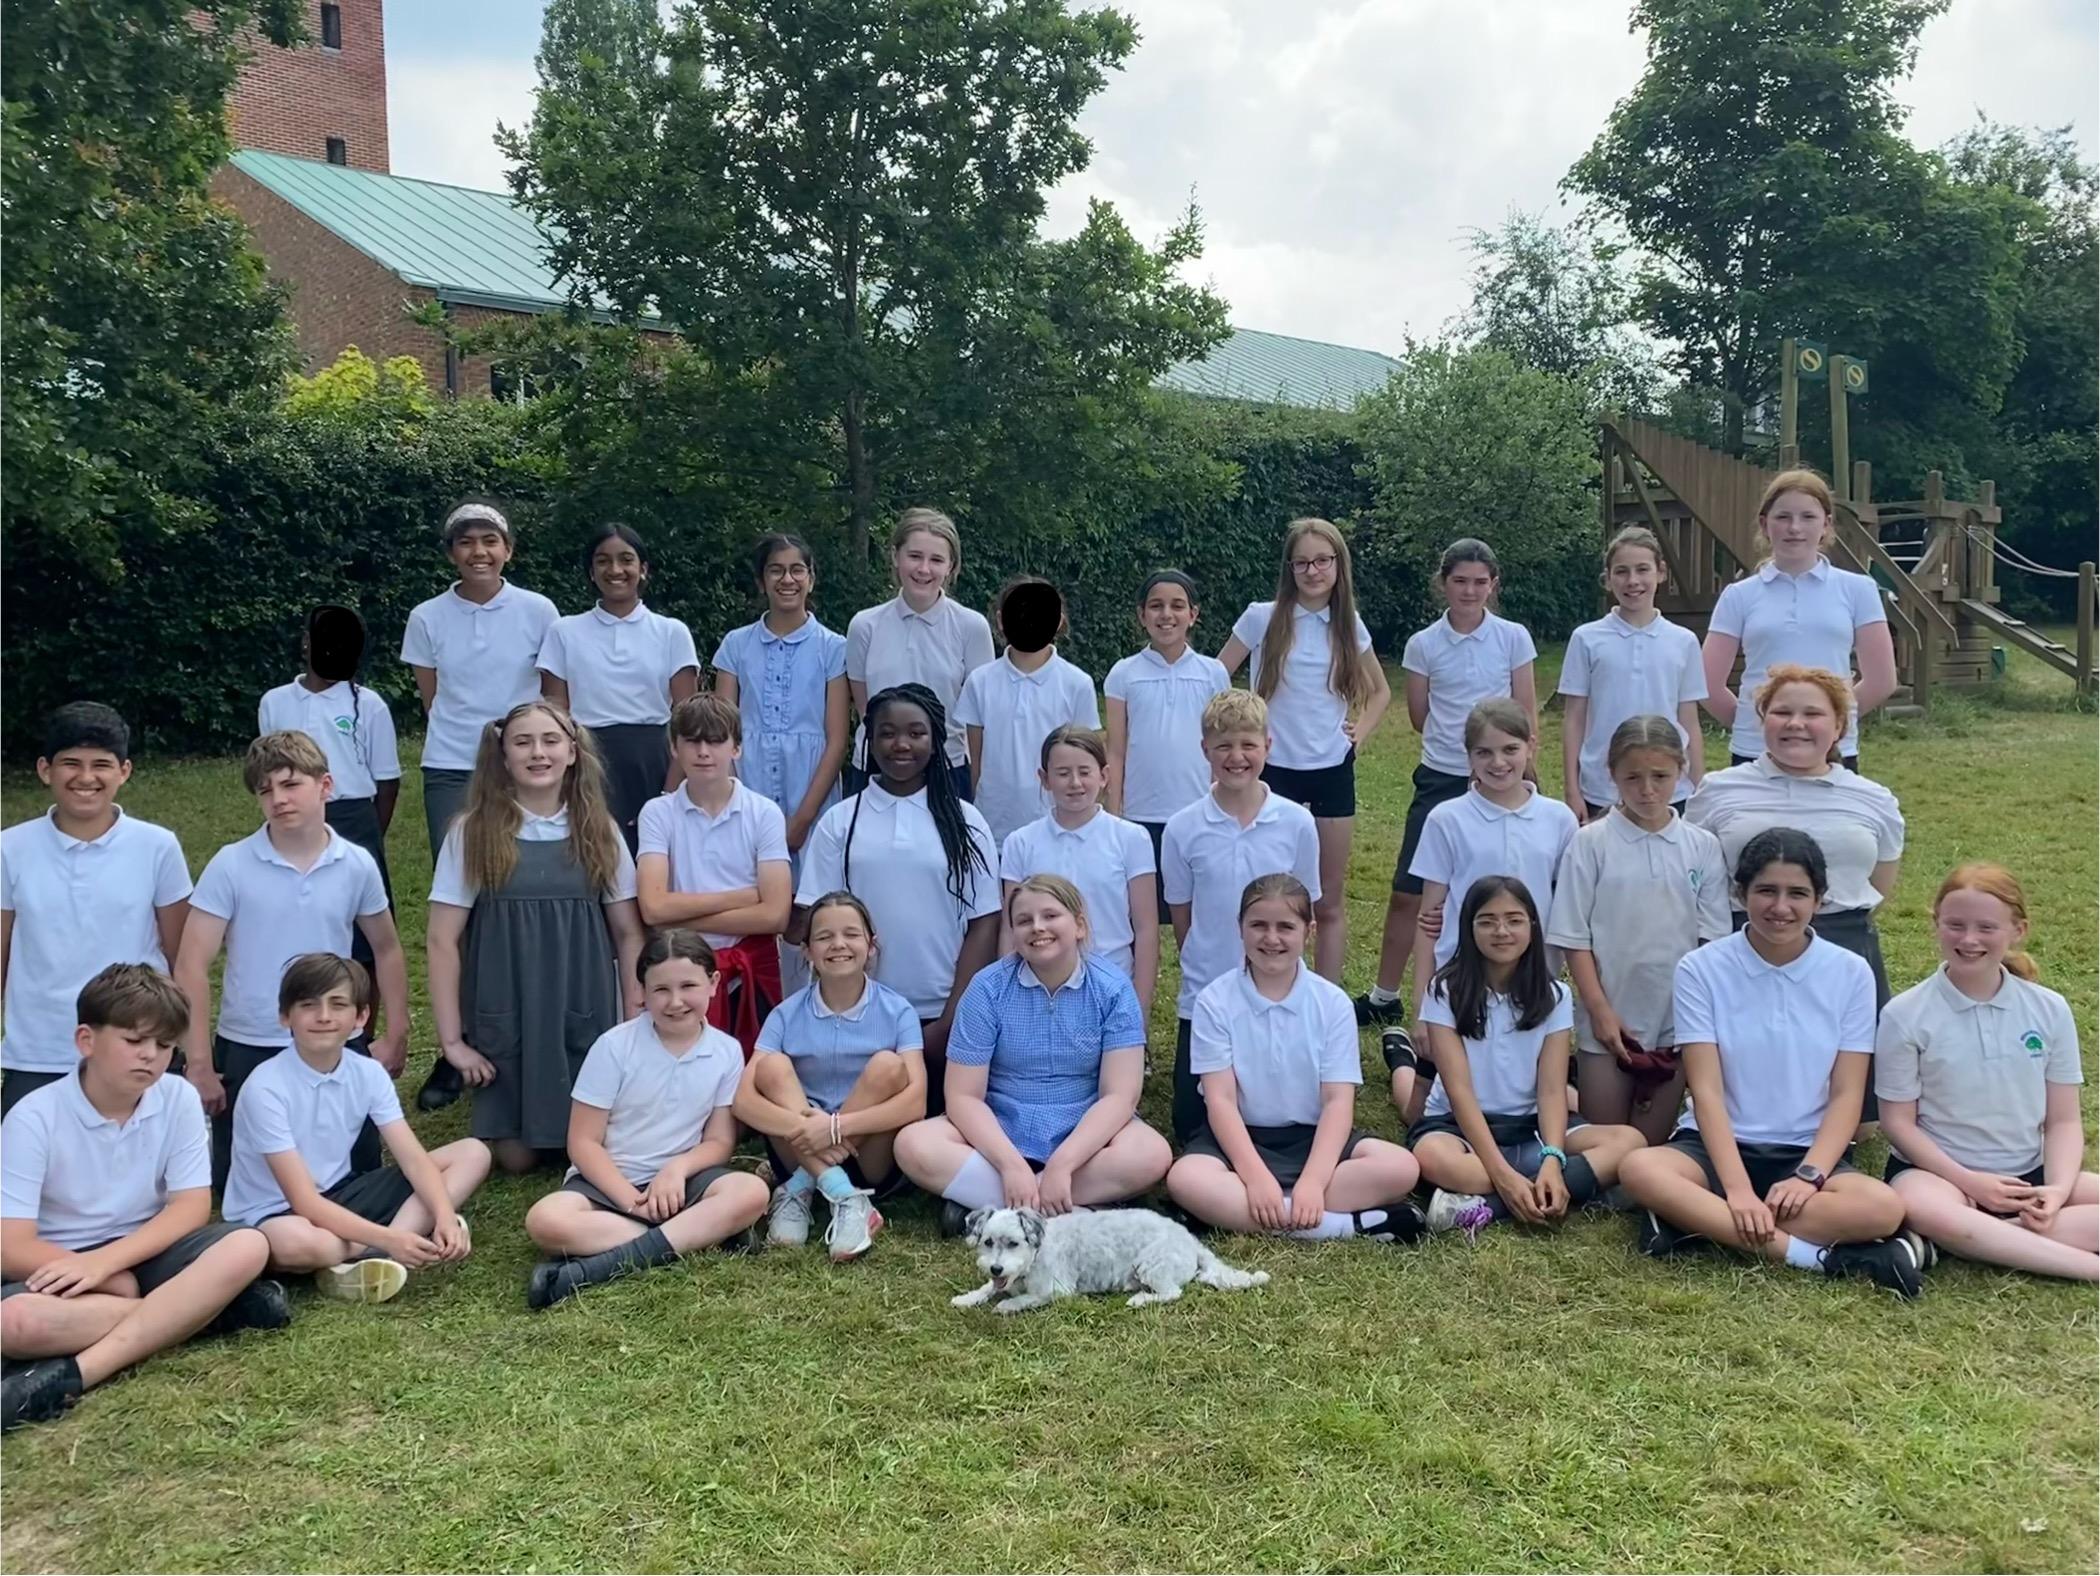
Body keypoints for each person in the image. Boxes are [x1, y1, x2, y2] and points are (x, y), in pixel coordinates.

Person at [1618, 830, 1923, 1298]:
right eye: (1766, 890)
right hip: (1714, 1148)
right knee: (1640, 1168)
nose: (1781, 907)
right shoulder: (1701, 968)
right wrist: (1738, 1190)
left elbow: (1847, 1093)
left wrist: (1810, 1174)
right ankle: (1821, 1259)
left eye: (1797, 893)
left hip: (1804, 1152)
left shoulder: (1850, 972)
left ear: (1820, 899)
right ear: (1740, 894)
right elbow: (1706, 1091)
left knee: (1883, 1208)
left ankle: (1697, 1222)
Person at [1, 965, 288, 1432]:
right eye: (134, 1040)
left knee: (249, 1244)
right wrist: (96, 1271)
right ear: (86, 1040)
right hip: (61, 1263)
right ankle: (209, 1313)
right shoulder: (34, 1116)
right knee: (13, 1321)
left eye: (164, 1045)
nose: (150, 1056)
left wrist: (108, 1264)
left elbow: (191, 1207)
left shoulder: (176, 1097)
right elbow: (11, 1246)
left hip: (148, 1250)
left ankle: (76, 1374)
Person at [173, 731, 409, 1194]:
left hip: (335, 1035)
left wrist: (396, 1032)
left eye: (290, 784)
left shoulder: (357, 864)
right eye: (265, 790)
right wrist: (199, 1060)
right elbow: (191, 964)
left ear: (326, 786)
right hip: (251, 1040)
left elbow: (386, 948)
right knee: (243, 1183)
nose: (278, 799)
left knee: (356, 1177)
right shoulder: (231, 864)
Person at [426, 701, 644, 1175]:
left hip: (580, 999)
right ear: (503, 756)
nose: (538, 753)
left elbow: (629, 933)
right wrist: (453, 1042)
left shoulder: (599, 830)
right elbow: (442, 940)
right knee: (516, 1158)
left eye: (550, 741)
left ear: (573, 752)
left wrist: (633, 1021)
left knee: (582, 1143)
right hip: (507, 1001)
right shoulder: (472, 832)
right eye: (522, 742)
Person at [1685, 664, 1903, 1124]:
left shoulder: (1873, 798)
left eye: (1813, 714)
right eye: (1782, 712)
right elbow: (1695, 874)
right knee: (1745, 1105)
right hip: (1745, 944)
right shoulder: (1719, 790)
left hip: (1843, 943)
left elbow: (1880, 880)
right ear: (1762, 719)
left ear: (1839, 726)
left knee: (1859, 1125)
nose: (1796, 724)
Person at [894, 876, 1170, 1237]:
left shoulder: (1113, 989)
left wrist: (1063, 1164)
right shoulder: (987, 989)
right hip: (1002, 1126)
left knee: (1151, 1153)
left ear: (1080, 925)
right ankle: (1069, 1210)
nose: (1037, 927)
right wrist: (1010, 1165)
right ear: (1013, 933)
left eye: (1050, 916)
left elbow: (1119, 1096)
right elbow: (963, 1096)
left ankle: (996, 1207)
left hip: (1083, 1130)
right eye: (1024, 920)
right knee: (914, 1144)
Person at [401, 498, 560, 1114]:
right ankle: (456, 1042)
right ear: (451, 553)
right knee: (461, 904)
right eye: (466, 542)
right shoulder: (426, 617)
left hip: (522, 766)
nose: (479, 552)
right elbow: (432, 697)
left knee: (516, 895)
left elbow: (550, 697)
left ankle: (519, 1029)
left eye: (490, 541)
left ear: (508, 550)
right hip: (451, 767)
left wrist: (526, 750)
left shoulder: (538, 611)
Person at [1166, 875, 1425, 1244]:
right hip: (1241, 1139)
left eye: (1286, 927)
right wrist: (1255, 1177)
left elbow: (1337, 1102)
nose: (1271, 938)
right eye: (1258, 925)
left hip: (1314, 1139)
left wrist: (1314, 1182)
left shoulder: (1332, 1003)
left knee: (1401, 1167)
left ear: (1309, 931)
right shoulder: (1214, 1001)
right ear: (1240, 928)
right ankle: (1342, 1226)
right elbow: (1220, 1100)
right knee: (1185, 1177)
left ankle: (1246, 1213)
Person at [522, 930, 770, 1309]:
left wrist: (676, 1169)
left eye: (688, 986)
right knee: (546, 1220)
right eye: (661, 990)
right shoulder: (614, 1047)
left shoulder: (727, 1051)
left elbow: (720, 1142)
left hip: (683, 1184)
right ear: (641, 991)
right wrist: (631, 1202)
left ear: (714, 983)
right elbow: (584, 1142)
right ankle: (703, 1235)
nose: (675, 1001)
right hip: (609, 1182)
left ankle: (588, 1270)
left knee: (752, 1192)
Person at [223, 954, 491, 1304]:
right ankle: (390, 1243)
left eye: (338, 1005)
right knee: (305, 1243)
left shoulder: (368, 1072)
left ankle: (381, 1254)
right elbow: (304, 1201)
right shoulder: (265, 1088)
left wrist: (443, 1216)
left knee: (474, 1152)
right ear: (285, 1016)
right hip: (275, 1213)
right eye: (308, 1005)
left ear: (361, 1018)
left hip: (342, 1191)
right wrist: (390, 1236)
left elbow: (413, 1158)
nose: (324, 1016)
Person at [1877, 864, 2095, 1282]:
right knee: (1923, 1206)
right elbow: (1898, 1124)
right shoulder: (1905, 1014)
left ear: (2018, 930)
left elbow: (2064, 1121)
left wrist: (2057, 1190)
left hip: (2030, 1178)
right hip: (1939, 1178)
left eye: (1986, 928)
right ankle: (2086, 1266)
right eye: (1955, 925)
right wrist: (1971, 1183)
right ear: (1936, 924)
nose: (1969, 939)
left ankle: (1964, 1241)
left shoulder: (2049, 1008)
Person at [792, 684, 1000, 1117]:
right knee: (865, 1125)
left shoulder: (966, 822)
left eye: (916, 733)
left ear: (936, 741)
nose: (901, 744)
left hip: (942, 1015)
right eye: (887, 733)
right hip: (861, 1013)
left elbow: (984, 922)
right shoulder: (840, 821)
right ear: (868, 741)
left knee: (938, 1128)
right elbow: (814, 917)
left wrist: (952, 1019)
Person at [1359, 538, 1537, 1030]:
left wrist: (1511, 762)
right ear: (1443, 583)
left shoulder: (1513, 637)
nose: (1469, 591)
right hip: (1442, 775)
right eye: (1460, 581)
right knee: (1410, 890)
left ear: (1493, 585)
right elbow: (1419, 715)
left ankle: (1513, 986)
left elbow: (1524, 711)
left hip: (1502, 776)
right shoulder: (1424, 644)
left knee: (1503, 886)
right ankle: (1386, 994)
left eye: (1480, 582)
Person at [1410, 876, 1645, 1237]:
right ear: (1468, 928)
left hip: (1532, 1126)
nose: (1502, 931)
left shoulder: (1555, 995)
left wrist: (1552, 1159)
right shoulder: (1443, 991)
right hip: (1459, 1127)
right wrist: (1501, 1173)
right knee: (1434, 1159)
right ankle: (1569, 1189)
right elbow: (1459, 1091)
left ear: (1533, 926)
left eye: (1514, 920)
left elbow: (1551, 1090)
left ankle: (1490, 1207)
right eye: (1487, 921)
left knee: (1629, 1142)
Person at [1218, 518, 1388, 980]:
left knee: (1326, 900)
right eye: (1302, 563)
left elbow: (1380, 692)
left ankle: (1326, 1000)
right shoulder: (1262, 617)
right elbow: (1215, 675)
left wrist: (1358, 734)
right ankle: (1255, 987)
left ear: (1338, 565)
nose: (1312, 571)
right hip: (1272, 771)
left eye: (1322, 561)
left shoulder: (1348, 624)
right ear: (1289, 568)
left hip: (1331, 771)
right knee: (1266, 896)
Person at [1, 703, 192, 1117]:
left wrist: (191, 1052)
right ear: (45, 770)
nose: (86, 778)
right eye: (71, 763)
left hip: (135, 1048)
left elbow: (181, 956)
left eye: (101, 765)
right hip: (38, 1054)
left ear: (124, 771)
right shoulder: (10, 848)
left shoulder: (157, 846)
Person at [1547, 717, 1731, 1142]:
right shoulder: (1590, 844)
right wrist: (1600, 1012)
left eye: (1660, 777)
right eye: (1633, 777)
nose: (1647, 790)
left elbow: (1711, 943)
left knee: (1648, 1148)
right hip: (1608, 1020)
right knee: (1606, 1143)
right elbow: (1575, 938)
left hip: (1676, 1022)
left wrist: (1692, 1021)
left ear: (1681, 771)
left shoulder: (1702, 847)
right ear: (1611, 774)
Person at [1402, 698, 1577, 1123]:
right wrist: (1422, 1008)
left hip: (1531, 978)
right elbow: (1429, 919)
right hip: (1461, 982)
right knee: (1417, 1114)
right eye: (1484, 752)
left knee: (1546, 1100)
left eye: (1509, 749)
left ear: (1531, 746)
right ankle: (1403, 1066)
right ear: (1469, 758)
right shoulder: (1447, 819)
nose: (1498, 763)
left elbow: (1570, 912)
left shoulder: (1558, 819)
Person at [1160, 690, 1321, 1145]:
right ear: (1204, 750)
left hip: (1277, 988)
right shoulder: (1183, 828)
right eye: (1223, 746)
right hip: (1205, 993)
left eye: (1248, 745)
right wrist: (1205, 960)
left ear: (1268, 746)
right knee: (1191, 1128)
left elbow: (1306, 905)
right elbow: (1181, 912)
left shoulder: (1296, 823)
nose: (1236, 757)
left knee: (1282, 1120)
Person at [735, 891, 926, 1261]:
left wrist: (836, 1128)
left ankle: (801, 1186)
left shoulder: (898, 1011)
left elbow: (915, 1102)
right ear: (807, 951)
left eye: (851, 934)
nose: (838, 944)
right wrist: (808, 1128)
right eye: (824, 937)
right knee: (770, 1067)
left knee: (888, 1066)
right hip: (799, 1147)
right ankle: (842, 1194)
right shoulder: (786, 1014)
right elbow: (743, 1100)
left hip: (869, 1156)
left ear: (871, 945)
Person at [1701, 468, 1896, 771]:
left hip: (1832, 752)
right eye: (1783, 517)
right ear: (1765, 524)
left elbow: (1882, 680)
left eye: (1807, 517)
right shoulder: (1738, 596)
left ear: (1826, 524)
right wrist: (1756, 723)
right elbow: (1706, 682)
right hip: (1757, 751)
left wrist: (1829, 723)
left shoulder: (1858, 589)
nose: (1794, 528)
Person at [257, 605, 401, 1008]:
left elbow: (387, 780)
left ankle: (363, 1025)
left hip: (354, 817)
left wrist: (369, 835)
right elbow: (268, 768)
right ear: (306, 643)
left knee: (364, 933)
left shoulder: (368, 704)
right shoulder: (275, 702)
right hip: (295, 820)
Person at [635, 694, 791, 1057]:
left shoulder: (764, 813)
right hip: (679, 969)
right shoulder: (657, 813)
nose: (704, 752)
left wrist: (678, 915)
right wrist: (742, 897)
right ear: (674, 748)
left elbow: (775, 916)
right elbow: (653, 908)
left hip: (749, 967)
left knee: (753, 1070)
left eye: (716, 740)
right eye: (692, 740)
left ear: (736, 747)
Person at [536, 523, 701, 852]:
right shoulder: (563, 632)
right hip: (587, 761)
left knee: (655, 861)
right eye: (603, 561)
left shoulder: (671, 632)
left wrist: (669, 795)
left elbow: (689, 722)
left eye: (626, 559)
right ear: (591, 571)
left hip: (653, 763)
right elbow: (556, 718)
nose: (615, 570)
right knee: (592, 859)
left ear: (643, 569)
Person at [712, 533, 851, 873]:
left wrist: (803, 819)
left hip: (811, 789)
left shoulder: (833, 648)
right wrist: (736, 805)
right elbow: (721, 732)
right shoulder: (736, 645)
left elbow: (837, 740)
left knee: (812, 891)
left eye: (797, 570)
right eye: (776, 570)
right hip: (748, 785)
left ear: (811, 579)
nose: (787, 579)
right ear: (761, 581)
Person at [999, 725, 1160, 1018]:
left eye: (1084, 772)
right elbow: (1010, 929)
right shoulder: (1020, 842)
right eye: (1062, 773)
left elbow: (1146, 928)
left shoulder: (1131, 839)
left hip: (1111, 988)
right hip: (1039, 989)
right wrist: (1008, 1000)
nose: (1075, 783)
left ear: (1104, 776)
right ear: (1044, 779)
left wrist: (1139, 1006)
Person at [1102, 569, 1229, 922]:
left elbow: (1220, 745)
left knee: (1196, 915)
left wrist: (1221, 805)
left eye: (1177, 605)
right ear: (1142, 615)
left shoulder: (1212, 673)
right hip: (1141, 816)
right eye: (1156, 606)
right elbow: (1116, 750)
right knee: (1139, 916)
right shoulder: (1124, 673)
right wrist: (1113, 815)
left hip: (1198, 814)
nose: (1166, 614)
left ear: (1193, 614)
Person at [844, 507, 993, 800]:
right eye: (914, 556)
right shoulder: (864, 626)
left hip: (947, 770)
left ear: (951, 566)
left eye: (936, 560)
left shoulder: (971, 627)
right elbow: (865, 709)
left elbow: (980, 717)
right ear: (895, 556)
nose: (924, 569)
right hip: (875, 769)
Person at [1557, 527, 1705, 821]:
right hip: (1602, 788)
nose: (1633, 581)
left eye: (1642, 569)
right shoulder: (1587, 638)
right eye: (1622, 572)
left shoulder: (1684, 641)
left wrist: (1699, 786)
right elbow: (1574, 718)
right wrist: (1572, 789)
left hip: (1669, 787)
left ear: (1661, 573)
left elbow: (1689, 719)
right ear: (1608, 578)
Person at [955, 577, 1099, 847]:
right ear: (1001, 620)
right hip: (993, 828)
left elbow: (1086, 759)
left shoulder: (1077, 683)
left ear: (1057, 621)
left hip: (1055, 828)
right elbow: (976, 762)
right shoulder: (980, 682)